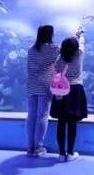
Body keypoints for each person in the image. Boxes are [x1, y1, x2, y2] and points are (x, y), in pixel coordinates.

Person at [49, 27, 88, 162]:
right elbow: (81, 43)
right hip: (76, 89)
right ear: (76, 48)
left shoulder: (59, 59)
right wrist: (80, 35)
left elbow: (56, 74)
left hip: (61, 91)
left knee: (61, 122)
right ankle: (70, 153)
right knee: (72, 123)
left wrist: (74, 36)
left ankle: (61, 154)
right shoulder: (79, 54)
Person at [25, 25, 59, 157]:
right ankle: (39, 147)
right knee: (42, 116)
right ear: (51, 34)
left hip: (32, 84)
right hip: (45, 84)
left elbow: (28, 68)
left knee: (31, 116)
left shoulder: (31, 50)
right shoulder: (54, 49)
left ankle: (29, 147)